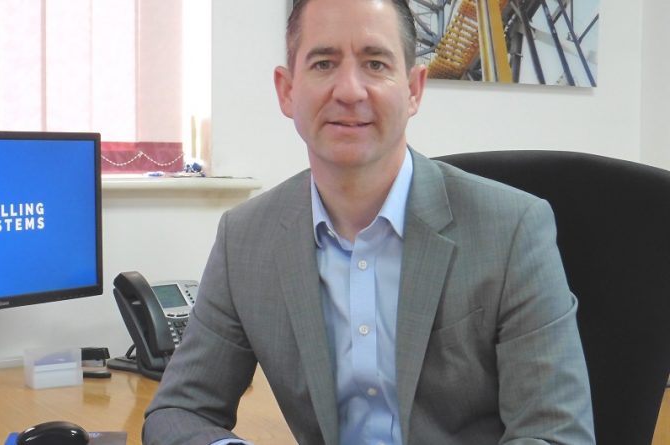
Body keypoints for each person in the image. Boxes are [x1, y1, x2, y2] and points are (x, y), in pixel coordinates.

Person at [143, 0, 595, 443]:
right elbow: (176, 412)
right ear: (287, 91)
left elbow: (555, 433)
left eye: (376, 64)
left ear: (414, 89)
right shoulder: (245, 240)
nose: (350, 91)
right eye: (323, 63)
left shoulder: (512, 230)